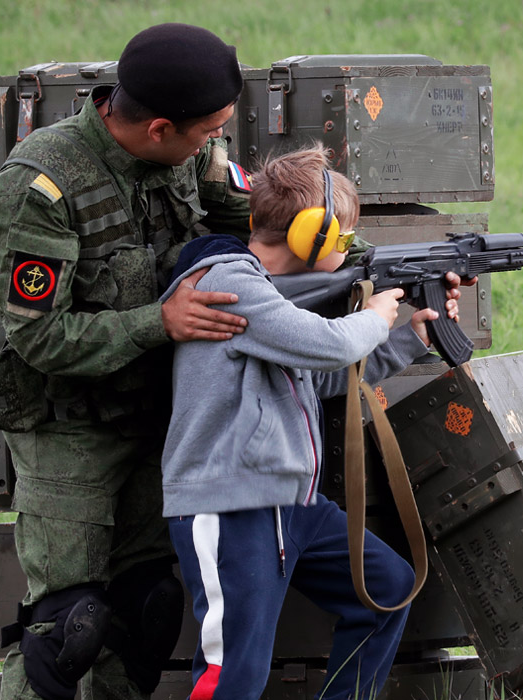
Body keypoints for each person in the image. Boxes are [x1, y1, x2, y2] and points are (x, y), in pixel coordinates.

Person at [0, 23, 252, 700]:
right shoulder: (38, 189)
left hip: (152, 415)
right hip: (68, 425)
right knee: (68, 629)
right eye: (207, 129)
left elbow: (254, 215)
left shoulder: (189, 152)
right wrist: (161, 321)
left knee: (144, 610)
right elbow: (41, 339)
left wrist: (361, 260)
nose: (215, 141)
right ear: (159, 127)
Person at [159, 144, 462, 700]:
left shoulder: (270, 299)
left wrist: (408, 338)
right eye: (342, 238)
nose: (347, 250)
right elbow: (326, 346)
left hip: (292, 504)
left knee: (387, 591)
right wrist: (373, 318)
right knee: (234, 676)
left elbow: (317, 380)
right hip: (231, 509)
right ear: (309, 236)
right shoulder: (230, 284)